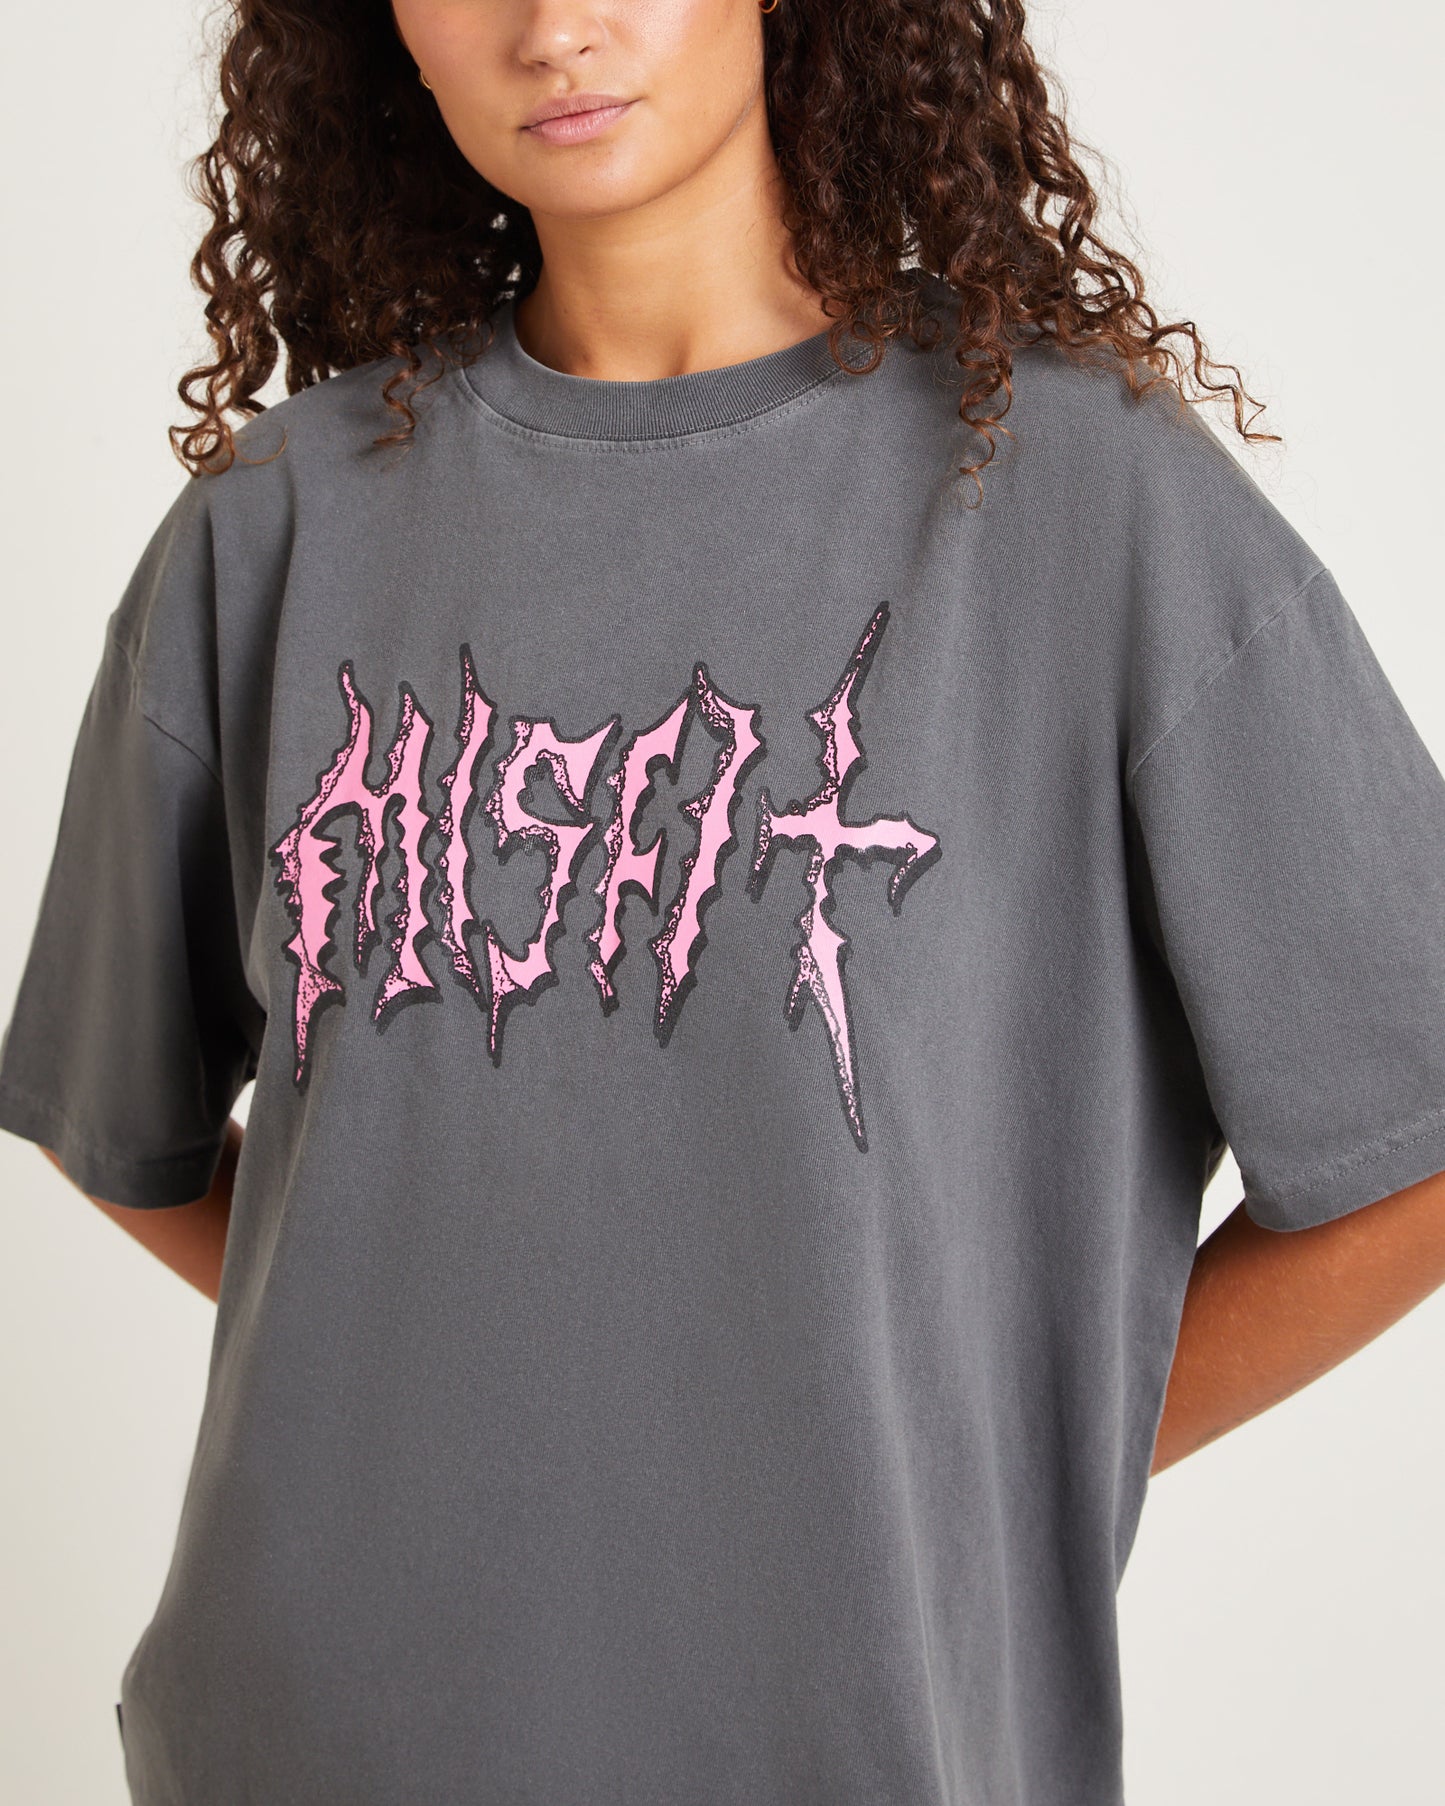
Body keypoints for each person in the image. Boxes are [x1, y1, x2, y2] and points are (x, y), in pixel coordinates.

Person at [2, 0, 1443, 1800]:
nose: (552, 27)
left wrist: (988, 1459)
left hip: (853, 1743)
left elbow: (1411, 1143)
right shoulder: (273, 527)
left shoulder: (1081, 497)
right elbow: (118, 1122)